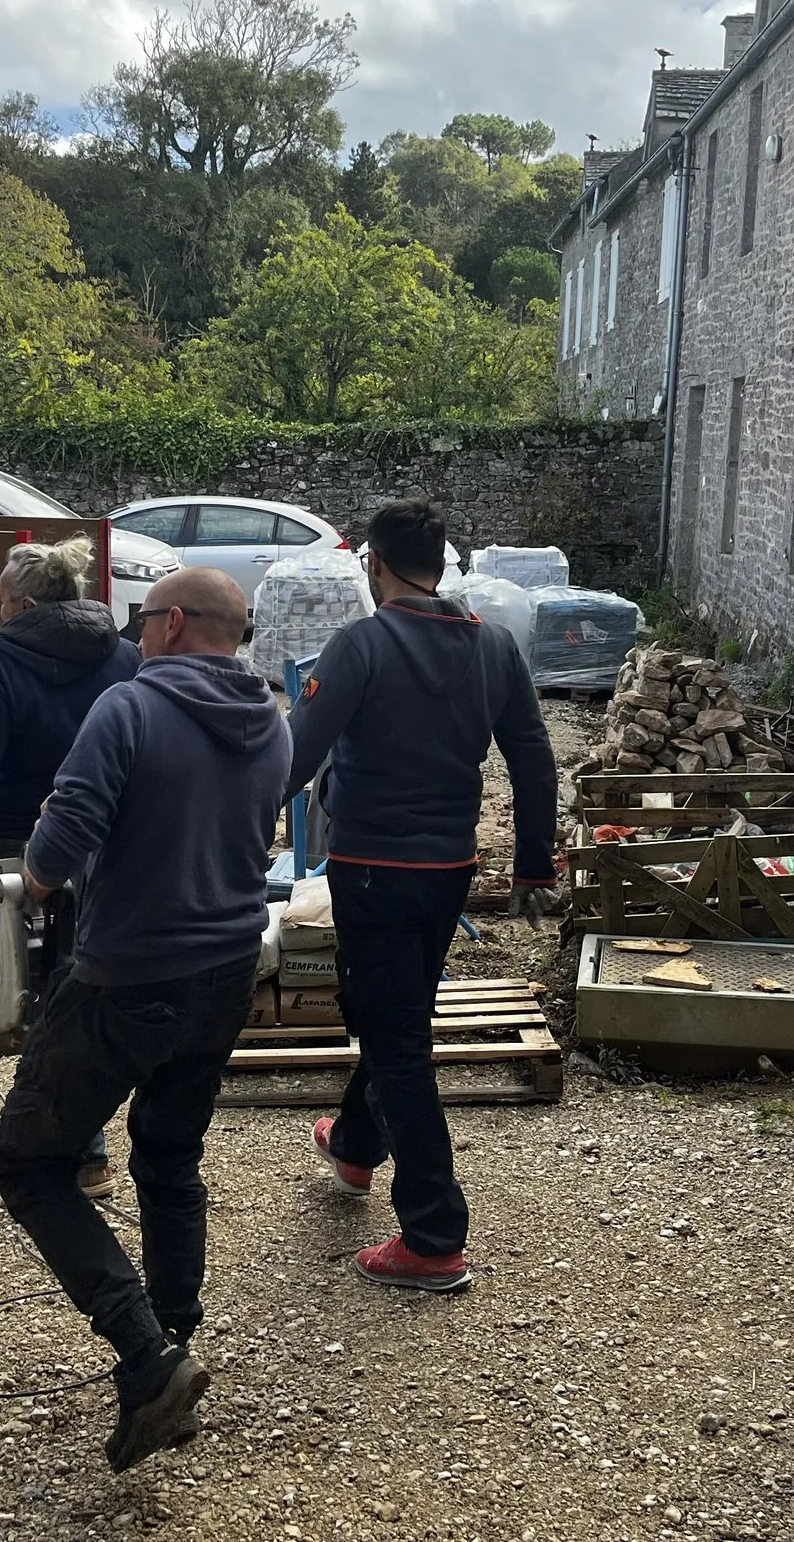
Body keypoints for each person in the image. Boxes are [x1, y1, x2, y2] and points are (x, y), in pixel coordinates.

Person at [0, 565, 290, 1471]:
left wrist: (38, 871)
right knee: (169, 1154)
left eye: (144, 615)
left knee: (31, 1161)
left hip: (130, 975)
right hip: (228, 970)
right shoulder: (273, 725)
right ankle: (176, 1344)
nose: (138, 630)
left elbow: (63, 838)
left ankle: (148, 1353)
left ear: (170, 625)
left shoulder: (128, 707)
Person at [285, 496, 559, 1294]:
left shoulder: (361, 644)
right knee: (395, 1011)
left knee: (396, 1035)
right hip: (448, 872)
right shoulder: (495, 646)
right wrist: (535, 867)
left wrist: (226, 836)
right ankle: (356, 1143)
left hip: (370, 869)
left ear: (375, 564)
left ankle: (434, 1235)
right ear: (442, 566)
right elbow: (535, 762)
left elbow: (297, 756)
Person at [0, 535, 141, 1198]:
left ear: (24, 603)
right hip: (110, 839)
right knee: (83, 979)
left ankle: (68, 1149)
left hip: (22, 837)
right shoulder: (124, 653)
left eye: (0, 601)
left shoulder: (4, 657)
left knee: (23, 987)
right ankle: (74, 1142)